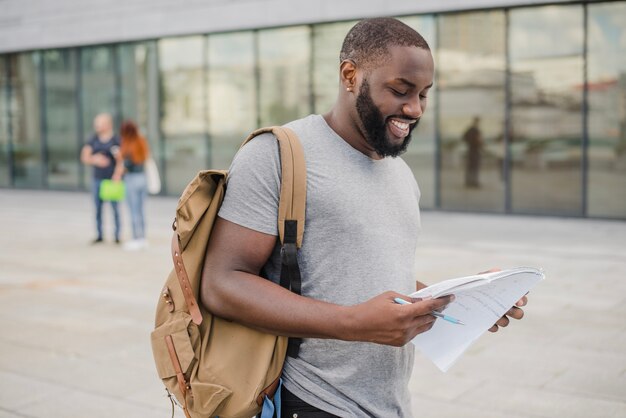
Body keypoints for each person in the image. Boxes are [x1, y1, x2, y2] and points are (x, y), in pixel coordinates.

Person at [201, 18, 528, 417]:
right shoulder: (276, 154)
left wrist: (464, 301)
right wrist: (352, 322)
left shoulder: (400, 174)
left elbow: (370, 277)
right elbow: (222, 283)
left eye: (424, 94)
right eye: (400, 90)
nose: (414, 108)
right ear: (350, 75)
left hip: (390, 405)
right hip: (309, 400)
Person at [80, 113, 124, 244]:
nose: (97, 126)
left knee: (115, 208)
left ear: (108, 124)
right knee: (98, 208)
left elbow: (121, 160)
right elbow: (84, 157)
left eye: (100, 123)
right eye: (96, 124)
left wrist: (117, 174)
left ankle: (117, 235)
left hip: (111, 180)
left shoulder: (116, 140)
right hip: (97, 179)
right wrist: (95, 159)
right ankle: (99, 235)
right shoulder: (93, 140)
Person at [119, 120, 150, 250]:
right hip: (142, 178)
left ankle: (135, 238)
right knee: (141, 210)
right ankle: (142, 237)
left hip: (131, 179)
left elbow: (127, 165)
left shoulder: (128, 145)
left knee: (133, 210)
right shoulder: (141, 142)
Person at [462, 116, 483, 188]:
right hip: (474, 150)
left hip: (471, 149)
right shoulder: (475, 130)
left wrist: (469, 142)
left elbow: (464, 137)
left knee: (471, 166)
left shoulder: (470, 129)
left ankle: (469, 181)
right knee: (474, 167)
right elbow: (479, 140)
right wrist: (475, 142)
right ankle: (473, 182)